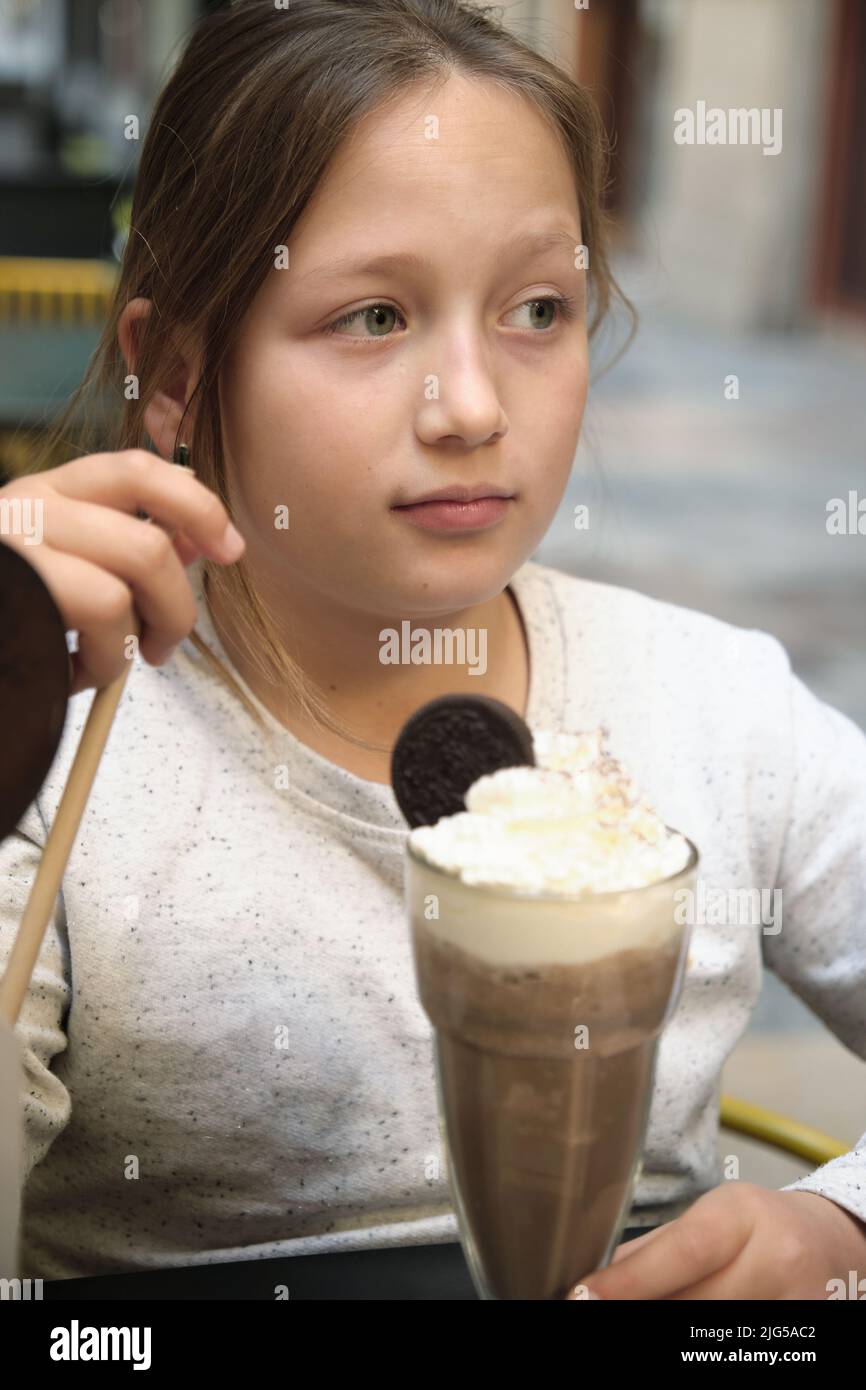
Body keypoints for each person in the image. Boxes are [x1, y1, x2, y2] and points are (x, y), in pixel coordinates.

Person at [1, 0, 864, 1298]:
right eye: (371, 319)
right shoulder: (68, 738)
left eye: (535, 306)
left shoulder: (714, 707)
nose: (470, 407)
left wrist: (840, 1226)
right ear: (175, 369)